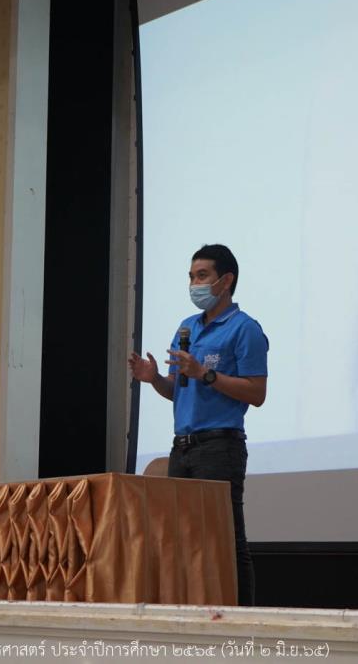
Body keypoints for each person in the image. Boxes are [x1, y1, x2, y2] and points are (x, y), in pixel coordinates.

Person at [128, 244, 268, 605]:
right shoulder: (186, 328)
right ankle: (191, 615)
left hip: (220, 447)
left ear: (226, 280)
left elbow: (257, 393)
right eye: (191, 277)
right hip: (182, 447)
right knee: (183, 541)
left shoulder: (244, 329)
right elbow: (178, 391)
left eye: (202, 276)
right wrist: (154, 378)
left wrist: (206, 373)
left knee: (227, 539)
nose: (194, 284)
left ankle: (241, 622)